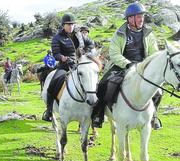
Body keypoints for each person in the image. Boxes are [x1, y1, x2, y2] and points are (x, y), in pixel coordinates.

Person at [91, 2, 162, 130]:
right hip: (122, 66)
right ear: (130, 18)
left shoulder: (148, 34)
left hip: (142, 68)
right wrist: (127, 63)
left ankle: (153, 116)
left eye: (142, 16)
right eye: (138, 16)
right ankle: (99, 114)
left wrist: (147, 66)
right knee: (103, 85)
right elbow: (114, 53)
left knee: (159, 91)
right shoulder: (119, 34)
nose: (141, 19)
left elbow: (154, 53)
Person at [42, 13, 85, 122]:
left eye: (72, 24)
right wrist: (63, 58)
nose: (71, 26)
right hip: (64, 66)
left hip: (79, 65)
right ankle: (49, 111)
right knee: (52, 85)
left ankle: (96, 112)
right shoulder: (57, 38)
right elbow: (56, 54)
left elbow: (86, 45)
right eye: (68, 24)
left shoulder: (79, 35)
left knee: (93, 82)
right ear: (63, 25)